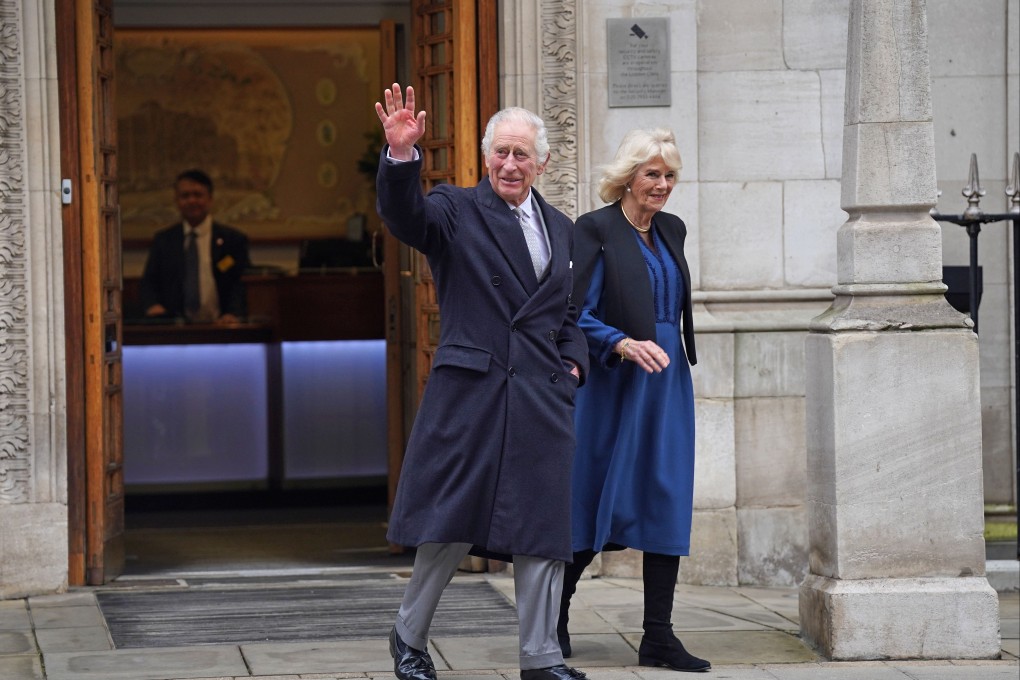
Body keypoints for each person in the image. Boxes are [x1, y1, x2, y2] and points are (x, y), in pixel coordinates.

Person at [374, 83, 590, 680]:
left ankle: (541, 659)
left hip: (540, 396)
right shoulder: (454, 208)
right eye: (501, 153)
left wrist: (573, 365)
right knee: (448, 523)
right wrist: (400, 160)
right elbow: (405, 217)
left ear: (542, 163)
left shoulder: (563, 229)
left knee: (543, 529)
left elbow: (567, 317)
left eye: (522, 155)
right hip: (472, 391)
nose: (510, 165)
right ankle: (409, 638)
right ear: (486, 156)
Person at [559, 129, 710, 673]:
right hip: (615, 381)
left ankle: (658, 636)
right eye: (653, 174)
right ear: (628, 177)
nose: (663, 185)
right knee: (599, 495)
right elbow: (576, 313)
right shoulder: (595, 229)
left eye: (670, 176)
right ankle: (555, 613)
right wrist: (620, 343)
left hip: (667, 382)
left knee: (665, 493)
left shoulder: (672, 229)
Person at [138, 169, 251, 323]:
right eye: (185, 196)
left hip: (223, 326)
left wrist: (234, 313)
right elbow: (149, 282)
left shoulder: (232, 239)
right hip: (175, 330)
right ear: (177, 201)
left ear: (210, 199)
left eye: (198, 195)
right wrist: (153, 307)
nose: (191, 201)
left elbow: (241, 282)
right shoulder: (164, 240)